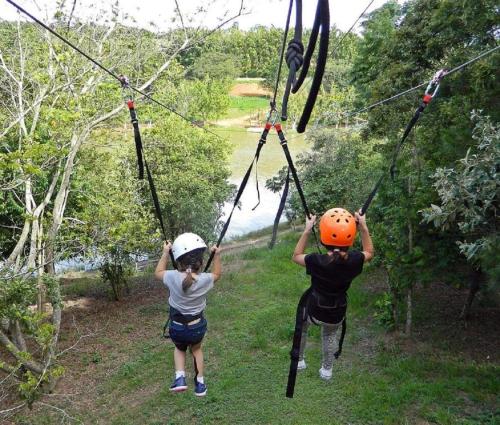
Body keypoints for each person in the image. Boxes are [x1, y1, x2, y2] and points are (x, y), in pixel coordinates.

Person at [291, 208, 374, 380]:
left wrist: (307, 229)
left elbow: (296, 255)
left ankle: (299, 361)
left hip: (315, 310)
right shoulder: (354, 260)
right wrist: (363, 227)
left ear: (324, 237)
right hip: (336, 312)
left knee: (302, 326)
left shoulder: (316, 261)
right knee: (329, 335)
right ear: (350, 238)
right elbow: (369, 252)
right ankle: (327, 370)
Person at [155, 233, 221, 397]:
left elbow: (158, 272)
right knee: (196, 350)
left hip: (177, 327)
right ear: (201, 262)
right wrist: (216, 255)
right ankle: (200, 384)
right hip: (197, 326)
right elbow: (217, 274)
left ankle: (180, 378)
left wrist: (165, 252)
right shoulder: (205, 280)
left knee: (179, 348)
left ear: (178, 261)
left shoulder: (171, 276)